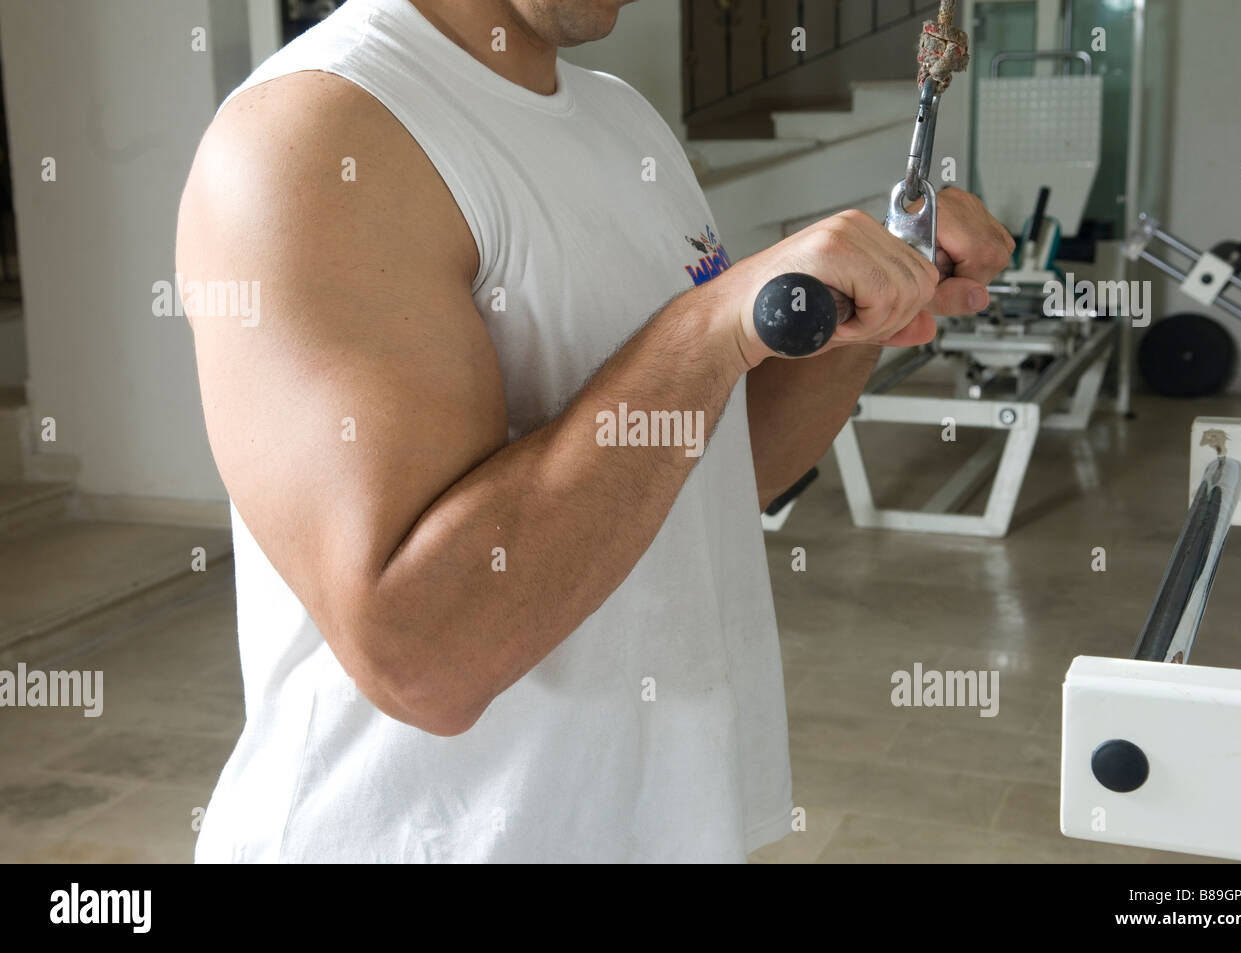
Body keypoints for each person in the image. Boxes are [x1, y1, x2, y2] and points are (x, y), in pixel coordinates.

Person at [177, 0, 1013, 862]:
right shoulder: (316, 137)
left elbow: (719, 477)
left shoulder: (622, 119)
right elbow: (425, 656)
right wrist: (711, 325)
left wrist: (874, 299)